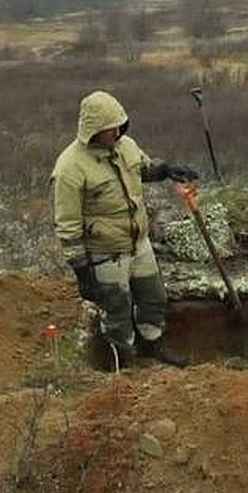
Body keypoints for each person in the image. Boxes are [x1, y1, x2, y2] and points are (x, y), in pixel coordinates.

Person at [51, 90, 199, 368]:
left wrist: (167, 170)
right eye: (110, 128)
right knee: (117, 311)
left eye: (119, 124)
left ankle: (152, 346)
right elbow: (67, 226)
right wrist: (82, 272)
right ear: (93, 130)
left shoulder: (126, 145)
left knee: (154, 298)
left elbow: (143, 169)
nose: (117, 131)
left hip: (139, 244)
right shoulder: (69, 168)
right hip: (105, 253)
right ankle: (123, 362)